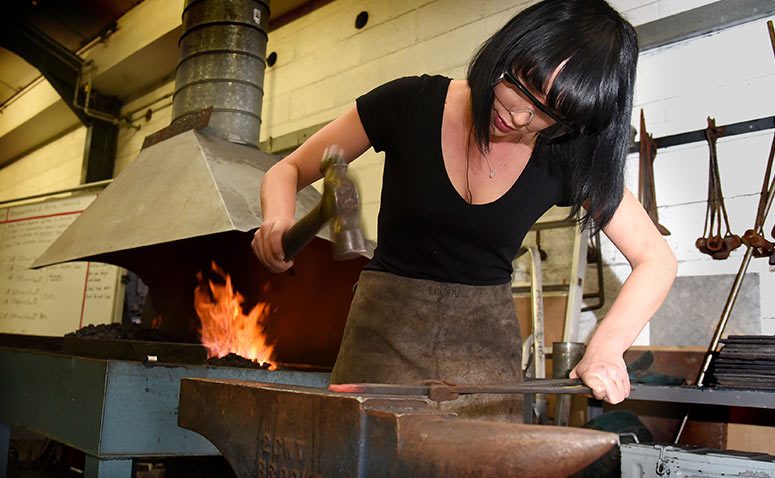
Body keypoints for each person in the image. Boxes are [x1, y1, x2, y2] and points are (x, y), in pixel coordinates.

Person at [252, 0, 677, 421]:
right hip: (379, 346)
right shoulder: (409, 102)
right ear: (507, 51)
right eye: (521, 86)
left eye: (549, 112)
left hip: (484, 368)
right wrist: (278, 219)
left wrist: (605, 348)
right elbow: (288, 168)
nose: (520, 116)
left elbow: (656, 259)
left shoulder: (564, 154)